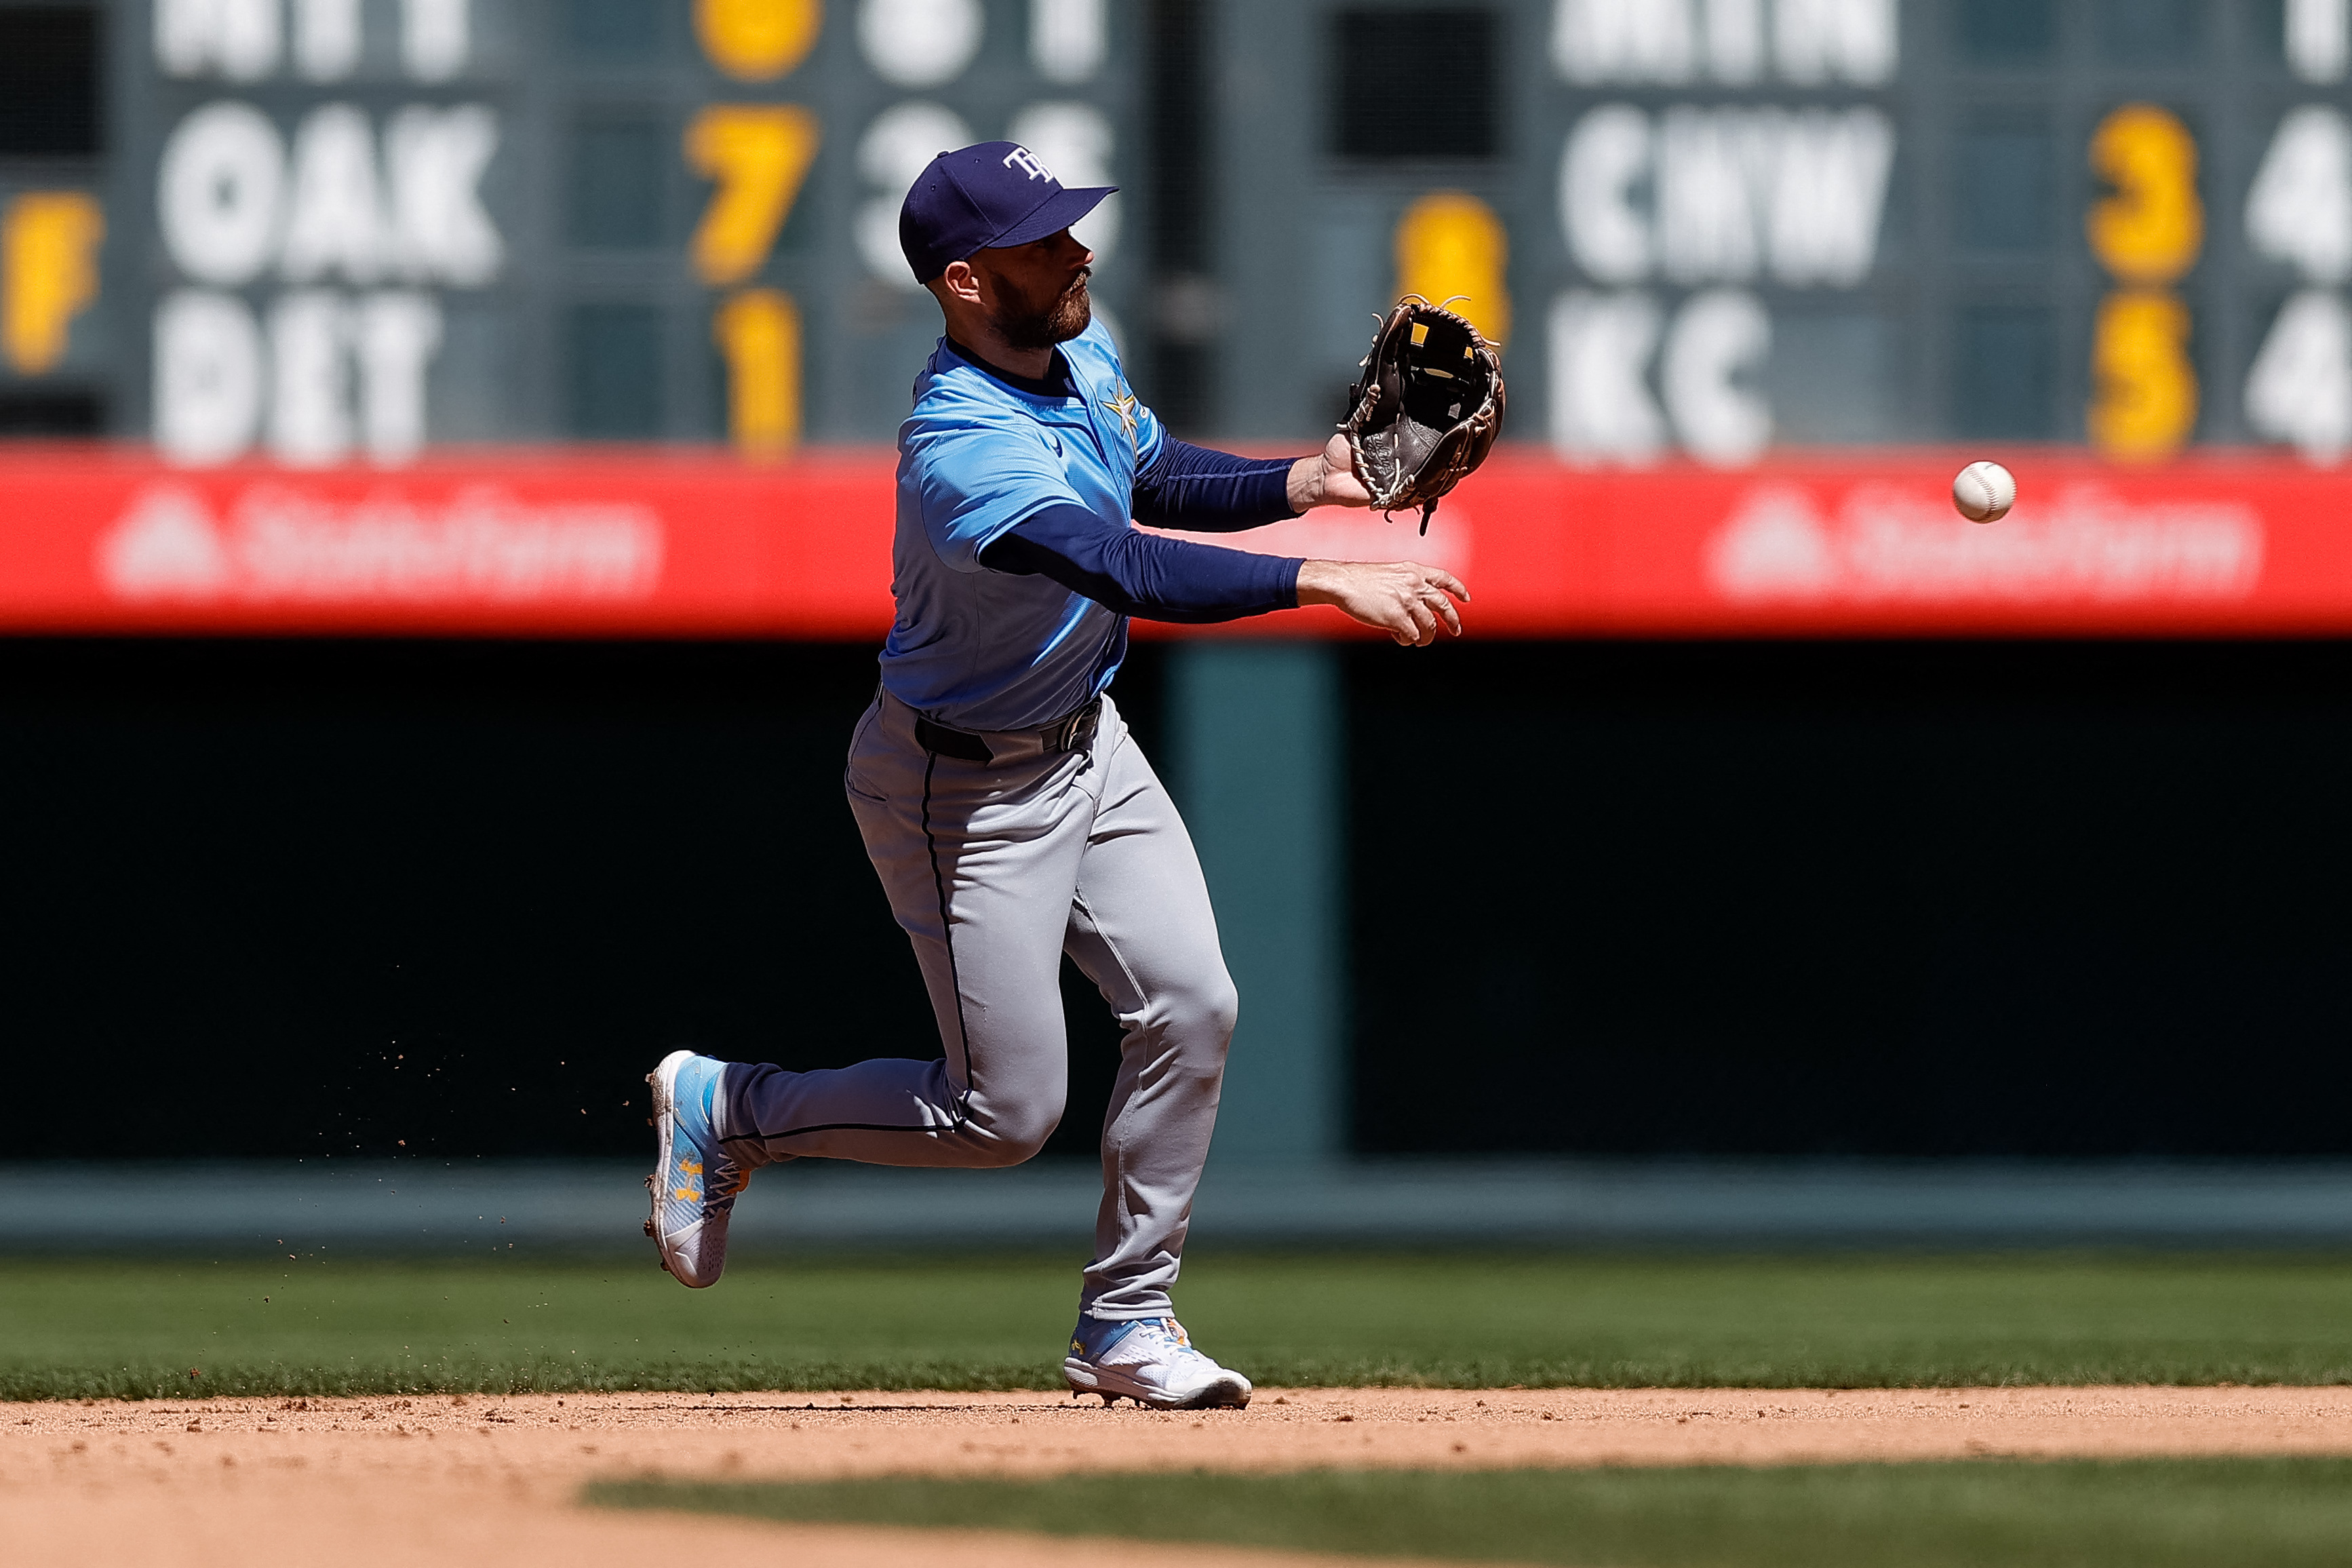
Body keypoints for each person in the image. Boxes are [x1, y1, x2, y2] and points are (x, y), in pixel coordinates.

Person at [645, 141, 1470, 1410]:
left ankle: (1128, 1321)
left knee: (1195, 1004)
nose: (1079, 249)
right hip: (957, 790)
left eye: (1072, 227)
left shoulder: (1076, 357)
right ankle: (728, 1107)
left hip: (1090, 742)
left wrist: (1315, 483)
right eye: (1044, 240)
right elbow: (1120, 562)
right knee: (1003, 1115)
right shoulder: (959, 444)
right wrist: (1319, 576)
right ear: (969, 282)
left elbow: (1157, 472)